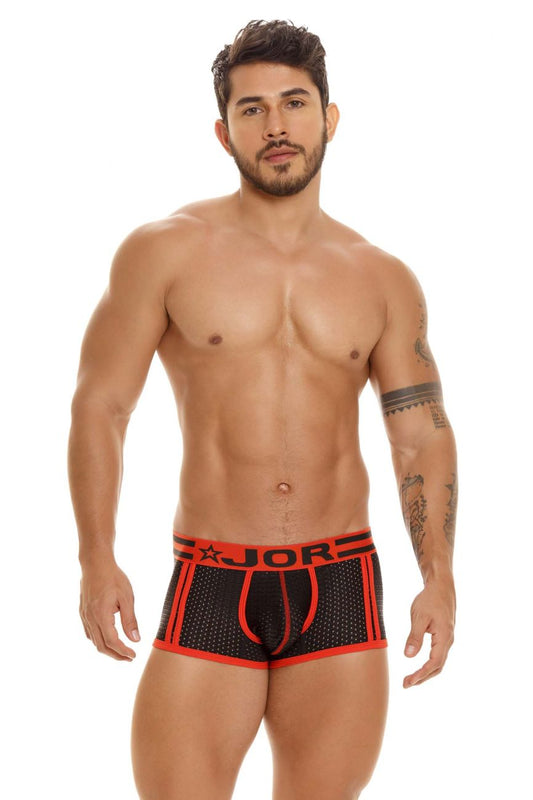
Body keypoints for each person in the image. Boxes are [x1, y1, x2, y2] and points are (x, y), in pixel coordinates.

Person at [68, 18, 457, 800]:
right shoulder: (163, 251)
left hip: (339, 584)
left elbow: (418, 436)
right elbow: (101, 406)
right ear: (224, 132)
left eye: (294, 103)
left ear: (329, 117)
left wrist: (438, 577)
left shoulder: (380, 278)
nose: (275, 126)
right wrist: (95, 558)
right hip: (212, 578)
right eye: (252, 109)